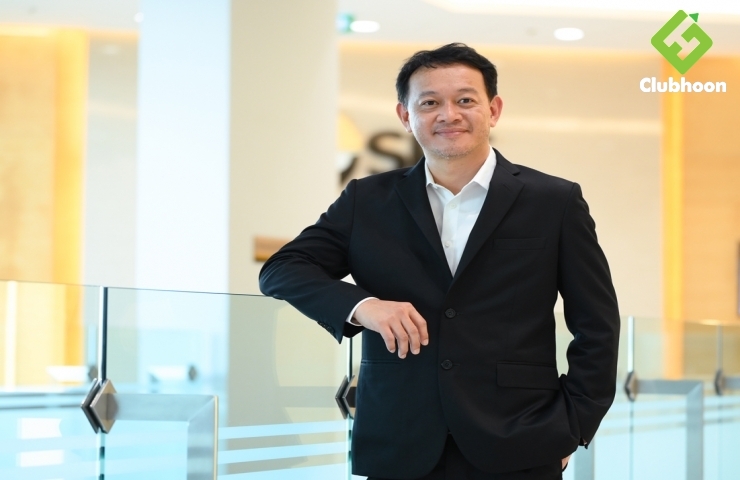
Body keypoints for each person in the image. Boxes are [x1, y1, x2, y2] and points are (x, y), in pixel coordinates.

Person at [259, 43, 619, 480]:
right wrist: (364, 306)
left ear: (493, 110)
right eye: (429, 103)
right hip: (398, 441)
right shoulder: (366, 200)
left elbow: (597, 324)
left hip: (520, 440)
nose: (449, 114)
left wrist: (572, 427)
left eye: (465, 100)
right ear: (405, 116)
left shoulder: (554, 201)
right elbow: (282, 269)